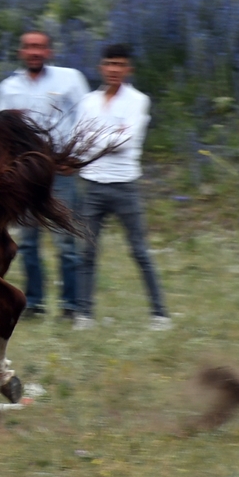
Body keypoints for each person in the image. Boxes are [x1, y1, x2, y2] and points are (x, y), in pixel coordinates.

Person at [0, 30, 90, 320]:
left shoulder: (70, 80)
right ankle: (34, 302)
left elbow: (87, 117)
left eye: (40, 47)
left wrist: (78, 159)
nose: (34, 52)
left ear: (49, 52)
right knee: (29, 242)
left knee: (66, 241)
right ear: (21, 52)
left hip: (60, 171)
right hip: (25, 174)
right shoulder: (9, 87)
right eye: (29, 47)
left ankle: (71, 306)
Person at [72, 44, 171, 331]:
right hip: (92, 184)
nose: (114, 70)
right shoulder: (89, 101)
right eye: (109, 64)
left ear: (129, 69)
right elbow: (79, 138)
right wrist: (104, 137)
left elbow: (124, 141)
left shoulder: (138, 101)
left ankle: (160, 314)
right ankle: (84, 313)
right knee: (87, 252)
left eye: (119, 64)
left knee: (140, 251)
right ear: (101, 67)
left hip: (124, 185)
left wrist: (95, 138)